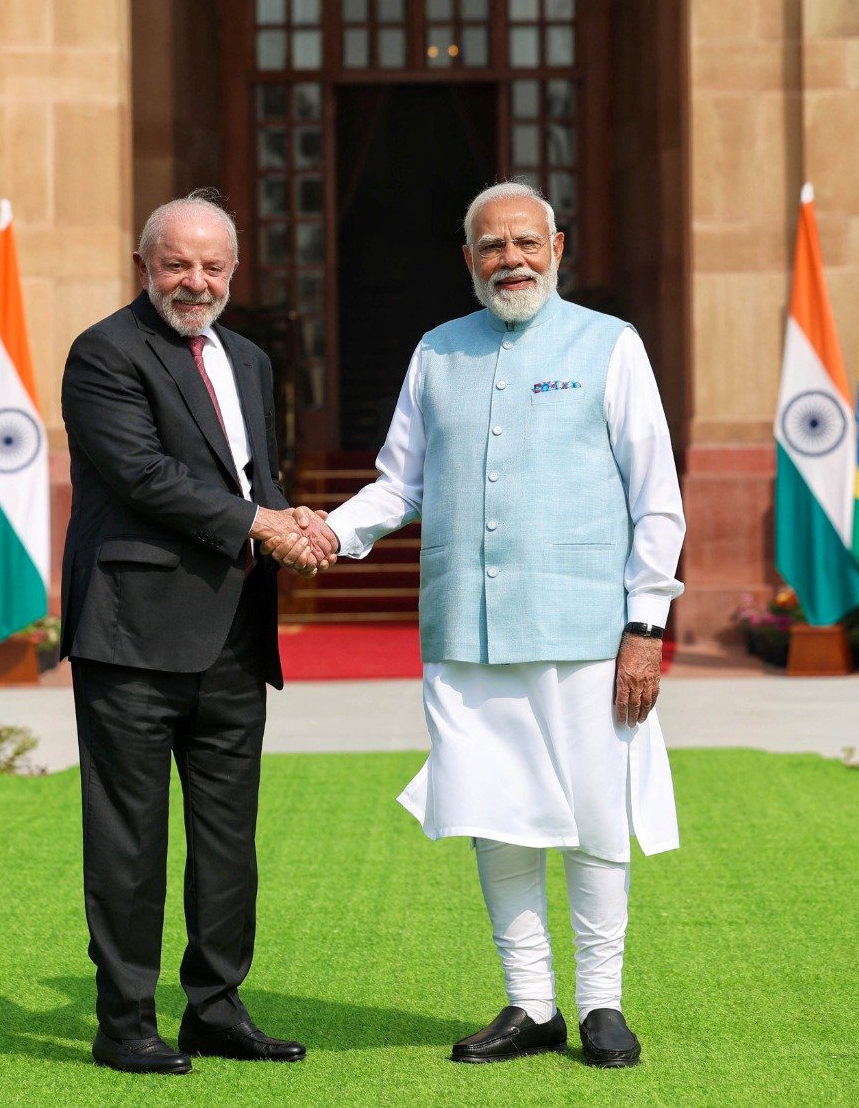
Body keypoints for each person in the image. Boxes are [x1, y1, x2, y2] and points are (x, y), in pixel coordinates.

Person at [313, 181, 686, 1069]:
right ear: (469, 259)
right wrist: (331, 531)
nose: (510, 259)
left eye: (526, 242)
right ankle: (530, 1004)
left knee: (597, 815)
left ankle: (601, 1004)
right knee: (496, 815)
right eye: (491, 246)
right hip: (466, 632)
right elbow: (400, 482)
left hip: (586, 632)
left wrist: (646, 626)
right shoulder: (437, 352)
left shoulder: (611, 346)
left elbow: (657, 499)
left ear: (558, 247)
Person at [59, 190, 321, 1076]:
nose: (194, 281)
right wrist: (262, 523)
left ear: (234, 273)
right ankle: (125, 1023)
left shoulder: (247, 357)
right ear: (144, 267)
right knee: (129, 841)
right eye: (177, 264)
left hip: (234, 637)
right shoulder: (103, 352)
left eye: (213, 266)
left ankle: (215, 1007)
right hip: (131, 636)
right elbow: (144, 474)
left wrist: (302, 523)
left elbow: (254, 477)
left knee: (226, 841)